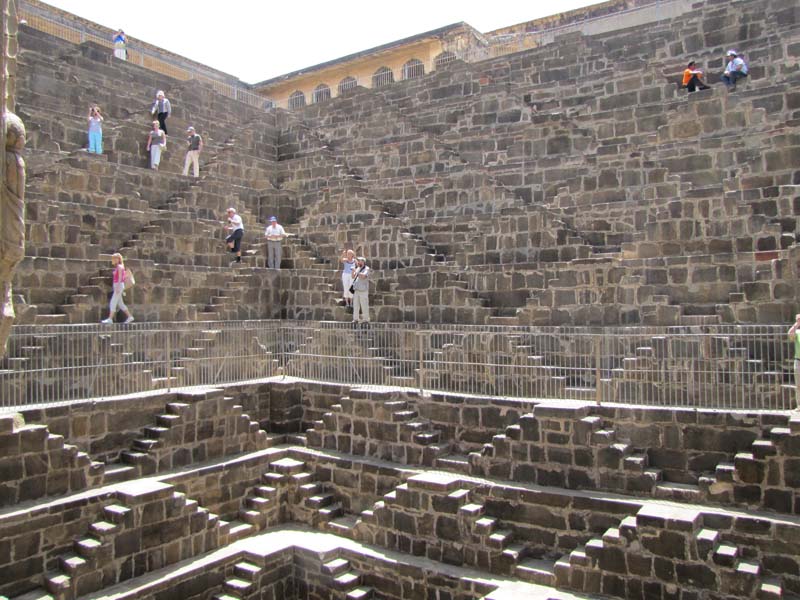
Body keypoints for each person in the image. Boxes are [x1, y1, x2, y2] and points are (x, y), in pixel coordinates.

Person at [101, 253, 134, 324]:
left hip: (118, 285)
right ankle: (130, 316)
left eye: (116, 258)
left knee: (113, 302)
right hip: (117, 285)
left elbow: (120, 278)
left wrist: (118, 287)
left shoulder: (119, 266)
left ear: (119, 259)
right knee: (120, 304)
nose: (114, 260)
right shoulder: (119, 267)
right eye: (113, 258)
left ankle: (110, 319)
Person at [351, 256, 370, 325]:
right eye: (358, 261)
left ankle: (365, 320)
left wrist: (357, 272)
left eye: (360, 261)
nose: (358, 262)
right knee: (355, 306)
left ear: (363, 262)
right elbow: (353, 276)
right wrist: (353, 270)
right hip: (356, 290)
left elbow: (363, 276)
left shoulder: (366, 268)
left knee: (364, 305)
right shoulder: (358, 268)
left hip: (363, 290)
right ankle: (355, 319)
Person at [789, 314, 800, 407]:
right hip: (798, 361)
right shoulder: (797, 332)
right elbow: (790, 334)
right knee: (798, 385)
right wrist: (797, 324)